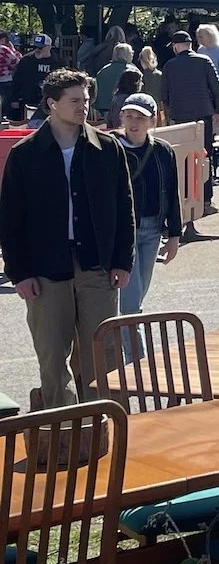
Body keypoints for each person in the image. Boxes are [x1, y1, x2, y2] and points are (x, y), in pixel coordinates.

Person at [0, 69, 134, 408]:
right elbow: (10, 219)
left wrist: (122, 261)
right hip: (45, 272)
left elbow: (124, 208)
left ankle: (101, 423)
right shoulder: (25, 154)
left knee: (101, 355)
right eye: (75, 101)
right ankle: (63, 428)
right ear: (51, 104)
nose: (84, 107)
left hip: (97, 268)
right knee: (52, 356)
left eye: (86, 100)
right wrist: (20, 273)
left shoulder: (107, 149)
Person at [114, 94, 182, 332]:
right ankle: (137, 362)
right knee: (132, 308)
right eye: (128, 115)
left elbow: (172, 192)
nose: (133, 122)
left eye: (140, 117)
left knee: (138, 295)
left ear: (153, 121)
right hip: (123, 233)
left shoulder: (163, 150)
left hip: (153, 230)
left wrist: (174, 235)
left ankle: (122, 350)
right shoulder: (111, 147)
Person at [161, 30, 219, 212]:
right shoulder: (204, 61)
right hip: (204, 115)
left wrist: (170, 116)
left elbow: (164, 95)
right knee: (204, 156)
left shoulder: (169, 66)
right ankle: (206, 200)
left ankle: (187, 198)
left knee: (184, 158)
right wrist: (218, 110)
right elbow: (216, 87)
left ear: (175, 46)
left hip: (180, 117)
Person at [8, 34, 62, 121]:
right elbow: (17, 80)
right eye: (35, 47)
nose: (37, 50)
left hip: (50, 102)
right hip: (28, 100)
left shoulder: (58, 62)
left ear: (49, 47)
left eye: (40, 48)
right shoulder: (26, 60)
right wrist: (15, 99)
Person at [93, 43, 136, 115]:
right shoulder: (133, 70)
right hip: (125, 110)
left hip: (102, 111)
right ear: (127, 55)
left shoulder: (103, 71)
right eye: (131, 53)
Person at [196, 24, 219, 93]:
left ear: (210, 35)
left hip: (216, 91)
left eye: (201, 37)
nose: (198, 39)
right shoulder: (200, 50)